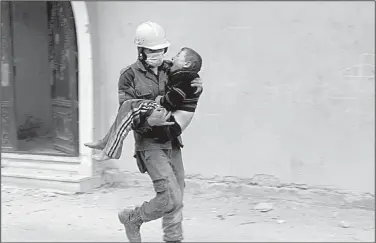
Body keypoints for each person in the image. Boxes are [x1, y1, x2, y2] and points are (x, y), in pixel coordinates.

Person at [86, 21, 203, 243]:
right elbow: (125, 111)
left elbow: (189, 78)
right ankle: (133, 218)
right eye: (151, 50)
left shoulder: (172, 69)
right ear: (141, 50)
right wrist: (149, 120)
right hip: (149, 144)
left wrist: (197, 81)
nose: (156, 54)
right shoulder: (128, 75)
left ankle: (173, 239)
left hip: (173, 141)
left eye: (160, 50)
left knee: (177, 196)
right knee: (169, 196)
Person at [88, 47, 203, 162]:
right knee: (127, 108)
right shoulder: (130, 74)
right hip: (162, 127)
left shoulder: (185, 77)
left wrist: (159, 100)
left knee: (128, 106)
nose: (172, 57)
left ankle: (110, 150)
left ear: (187, 64)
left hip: (168, 124)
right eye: (151, 50)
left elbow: (171, 102)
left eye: (178, 55)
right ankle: (107, 143)